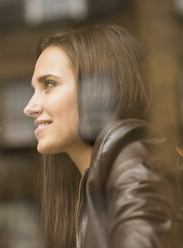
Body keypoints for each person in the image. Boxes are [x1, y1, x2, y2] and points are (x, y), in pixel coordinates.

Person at [23, 24, 183, 248]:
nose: (29, 107)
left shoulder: (130, 151)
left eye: (49, 84)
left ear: (96, 90)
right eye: (33, 90)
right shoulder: (89, 182)